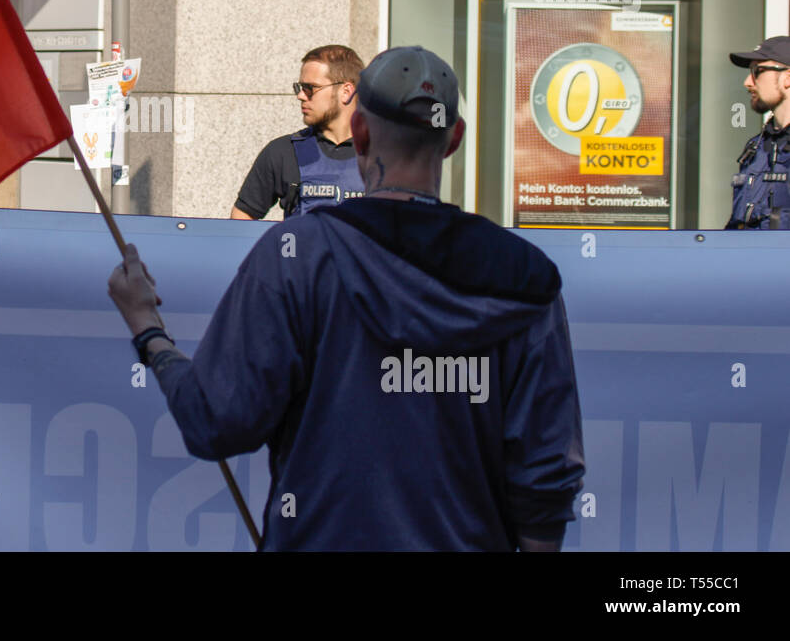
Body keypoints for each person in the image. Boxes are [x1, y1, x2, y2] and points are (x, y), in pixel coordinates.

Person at [111, 45, 585, 550]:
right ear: (454, 140)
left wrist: (148, 331)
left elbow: (215, 422)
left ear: (359, 131)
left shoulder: (296, 257)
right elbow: (545, 480)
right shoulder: (524, 275)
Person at [230, 44, 364, 220]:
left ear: (346, 92)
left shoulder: (389, 155)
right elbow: (242, 219)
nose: (301, 96)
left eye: (311, 88)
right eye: (299, 88)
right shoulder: (284, 152)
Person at [726, 36, 790, 229]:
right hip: (749, 257)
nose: (748, 82)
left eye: (757, 72)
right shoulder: (757, 147)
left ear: (788, 78)